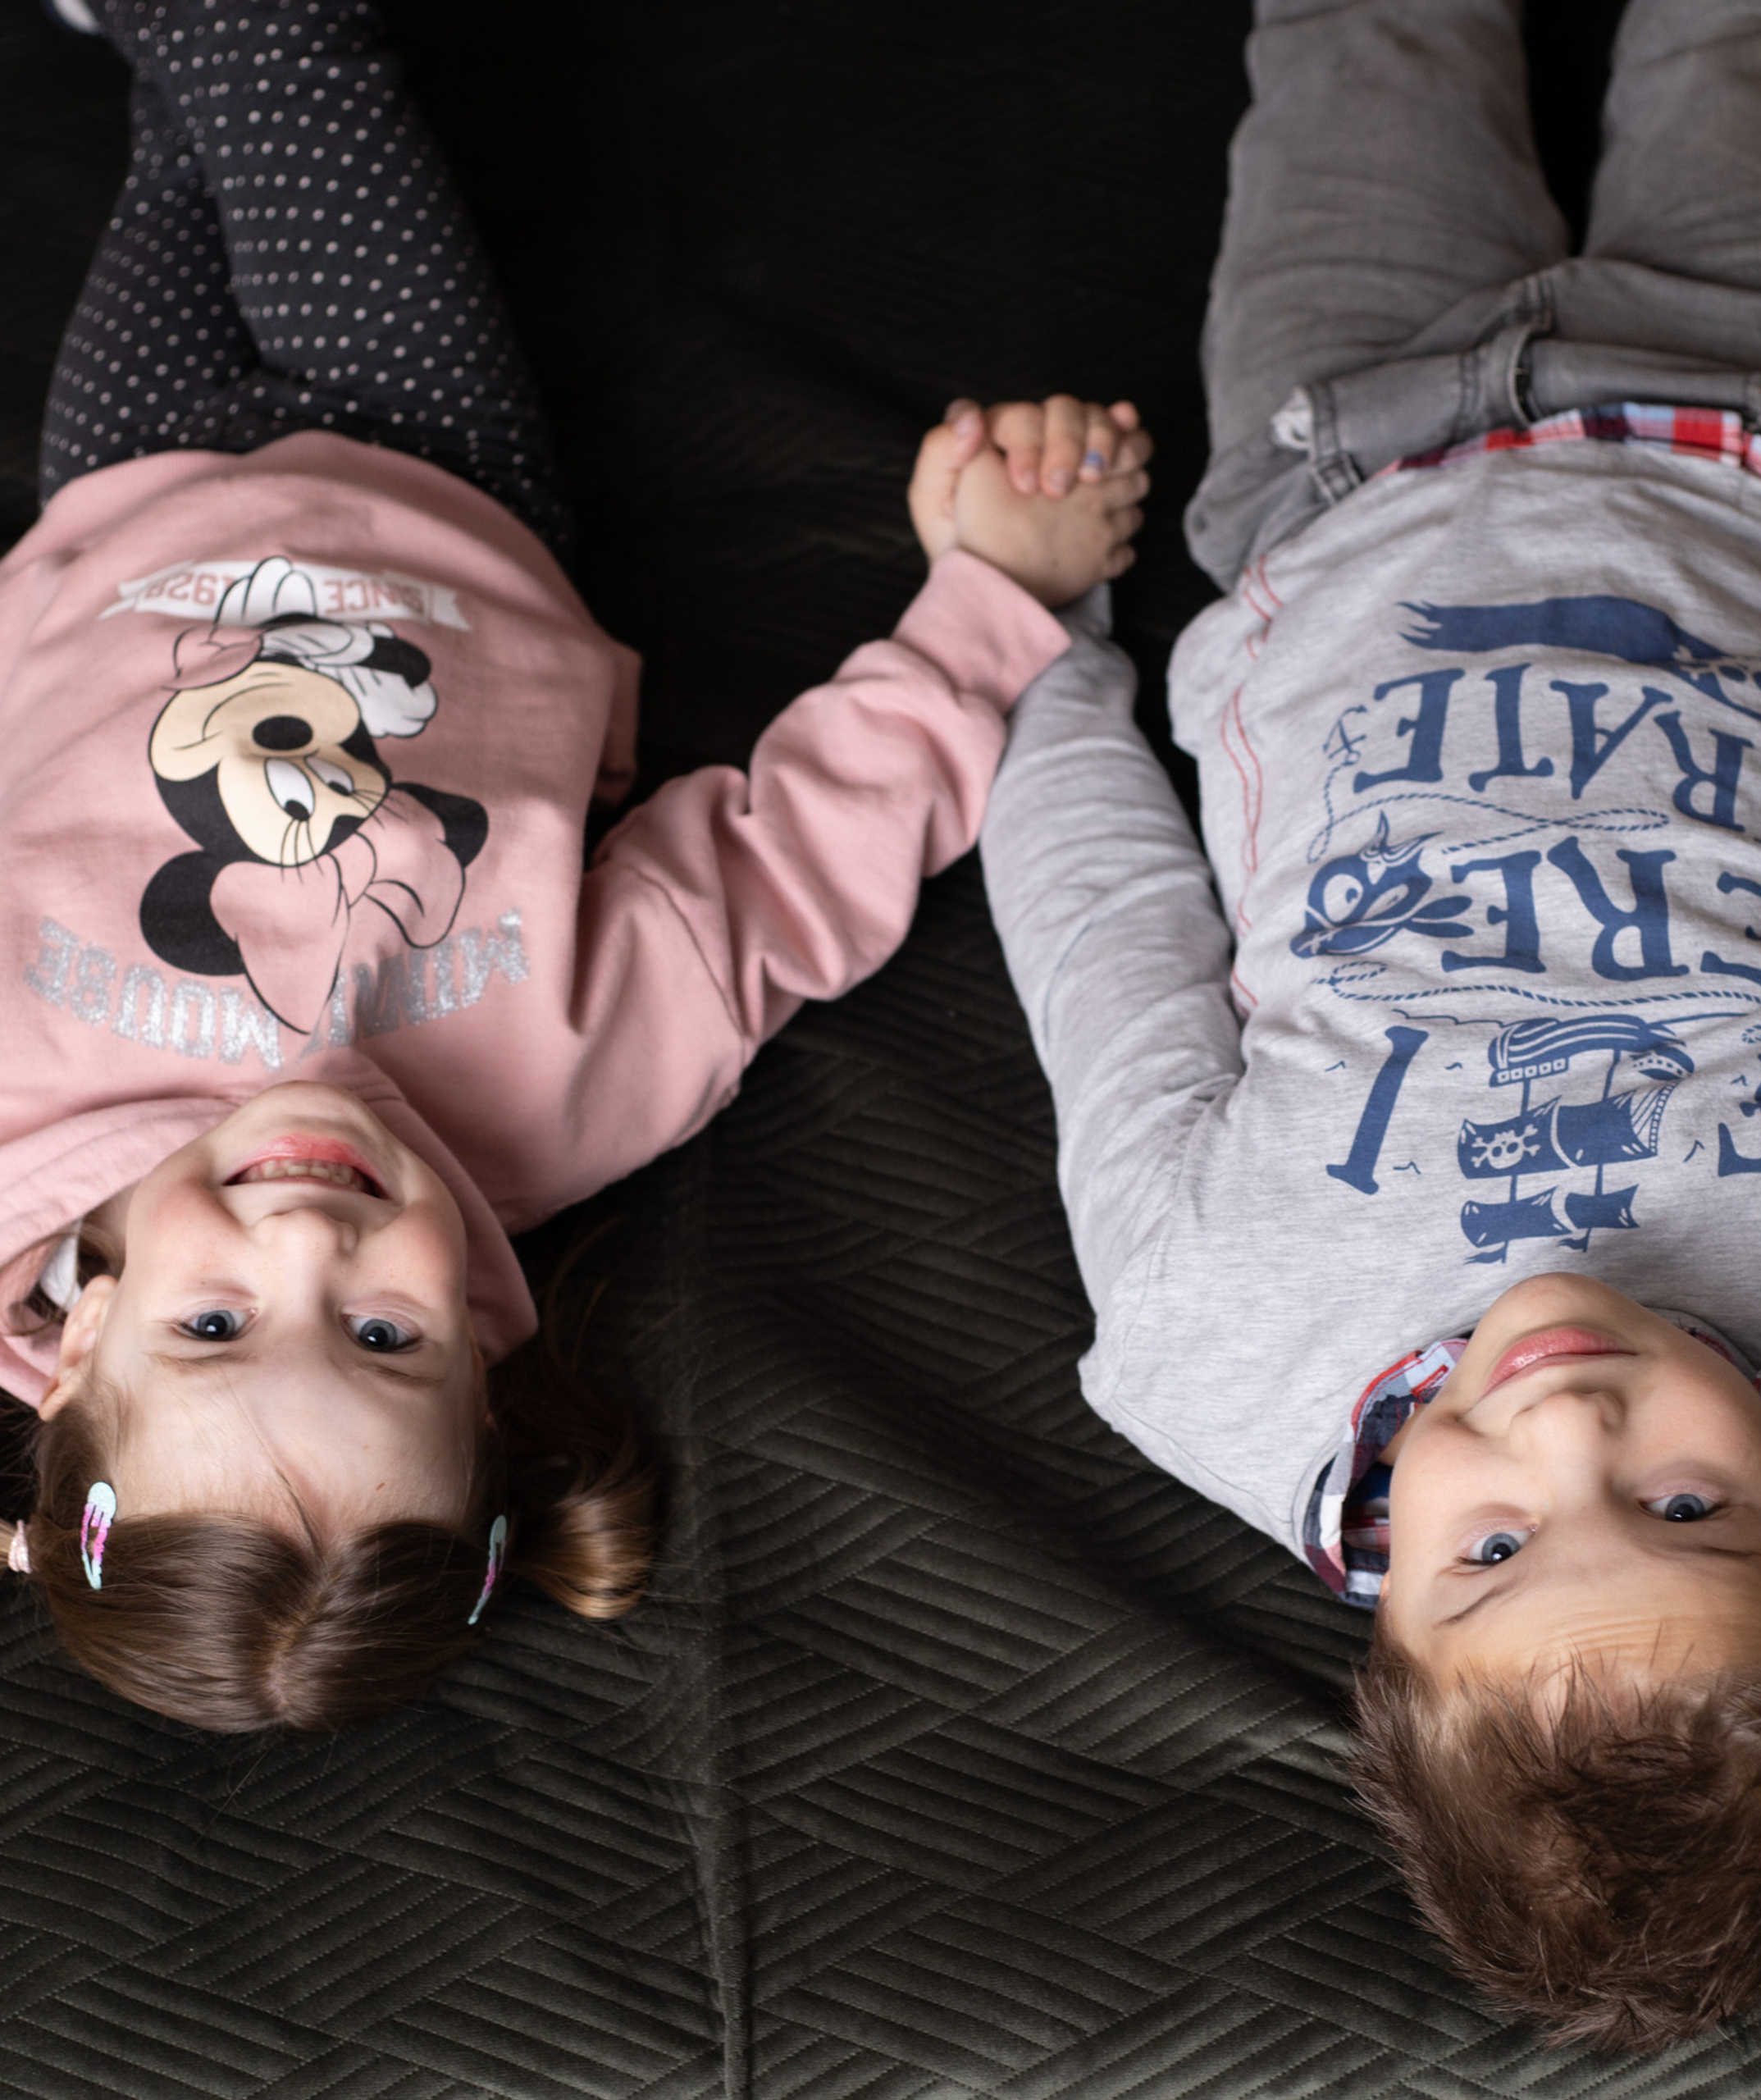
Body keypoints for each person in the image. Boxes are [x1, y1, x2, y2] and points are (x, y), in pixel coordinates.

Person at [970, 0, 1761, 2049]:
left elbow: (1100, 931)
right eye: (1680, 1507)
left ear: (1382, 1618)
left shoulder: (1210, 1338)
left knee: (1360, 36)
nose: (1562, 1426)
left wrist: (1014, 632)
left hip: (1336, 459)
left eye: (1483, 1545)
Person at [1, 0, 1148, 1733]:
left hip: (116, 494)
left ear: (79, 1348)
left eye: (216, 1326)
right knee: (277, 53)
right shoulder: (560, 1092)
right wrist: (990, 600)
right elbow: (794, 875)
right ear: (482, 1353)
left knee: (187, 119)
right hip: (435, 468)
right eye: (381, 1342)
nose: (308, 1240)